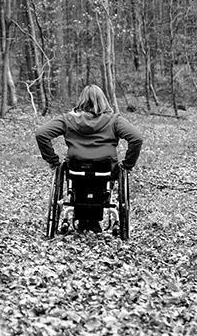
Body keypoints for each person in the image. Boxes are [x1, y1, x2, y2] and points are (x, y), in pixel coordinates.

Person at [35, 85, 143, 232]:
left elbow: (41, 134)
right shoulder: (114, 120)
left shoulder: (68, 119)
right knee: (107, 173)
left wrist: (53, 161)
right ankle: (95, 218)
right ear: (103, 100)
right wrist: (127, 165)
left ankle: (81, 218)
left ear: (81, 100)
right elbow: (136, 138)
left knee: (77, 175)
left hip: (76, 167)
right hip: (105, 168)